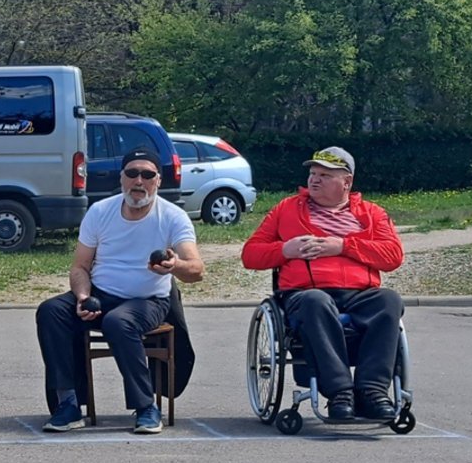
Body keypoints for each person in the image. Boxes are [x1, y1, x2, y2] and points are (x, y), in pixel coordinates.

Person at [36, 147, 204, 434]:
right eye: (132, 173)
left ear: (158, 181)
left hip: (148, 300)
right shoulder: (100, 211)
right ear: (122, 178)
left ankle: (145, 407)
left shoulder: (173, 216)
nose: (139, 181)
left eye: (147, 175)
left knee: (119, 321)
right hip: (101, 294)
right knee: (51, 311)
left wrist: (174, 264)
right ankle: (68, 403)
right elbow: (79, 267)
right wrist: (82, 296)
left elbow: (196, 270)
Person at [241, 146, 405, 421]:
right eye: (313, 174)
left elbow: (392, 256)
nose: (314, 180)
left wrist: (342, 246)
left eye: (325, 175)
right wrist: (285, 250)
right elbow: (250, 254)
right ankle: (340, 392)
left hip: (359, 293)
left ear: (347, 182)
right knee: (316, 302)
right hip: (305, 293)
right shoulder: (286, 209)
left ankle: (372, 391)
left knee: (388, 301)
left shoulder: (372, 213)